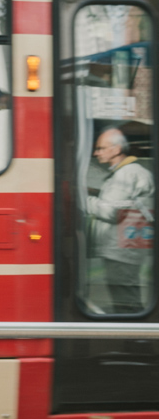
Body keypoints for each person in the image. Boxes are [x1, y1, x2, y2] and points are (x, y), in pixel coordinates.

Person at [87, 127, 155, 314]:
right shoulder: (125, 173)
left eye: (100, 148)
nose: (96, 152)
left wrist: (84, 200)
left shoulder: (127, 174)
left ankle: (137, 340)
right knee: (124, 298)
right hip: (124, 247)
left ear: (116, 150)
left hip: (122, 249)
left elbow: (111, 211)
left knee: (126, 301)